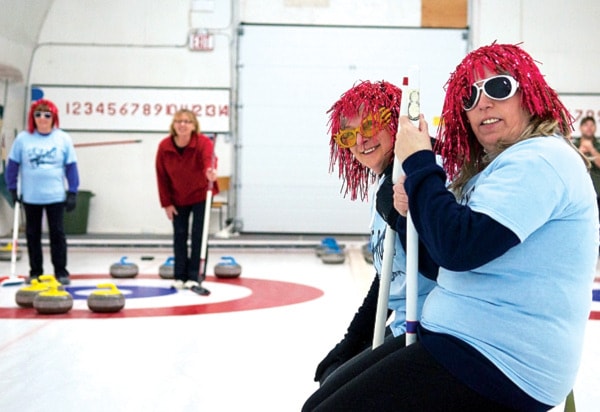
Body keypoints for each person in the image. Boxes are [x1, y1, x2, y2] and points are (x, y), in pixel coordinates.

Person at [303, 43, 598, 411]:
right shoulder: (498, 167)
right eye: (469, 97)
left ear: (530, 93)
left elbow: (453, 250)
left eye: (498, 88)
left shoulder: (540, 160)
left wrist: (420, 161)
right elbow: (426, 261)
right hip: (458, 339)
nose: (483, 103)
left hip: (494, 360)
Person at [311, 80, 437, 386]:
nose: (361, 139)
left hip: (431, 327)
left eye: (370, 124)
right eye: (348, 134)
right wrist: (351, 342)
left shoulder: (424, 175)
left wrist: (401, 216)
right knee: (330, 381)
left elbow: (440, 262)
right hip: (400, 321)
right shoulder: (383, 186)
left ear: (396, 121)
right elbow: (387, 279)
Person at [4, 99, 79, 285]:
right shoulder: (23, 139)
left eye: (47, 115)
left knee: (57, 234)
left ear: (54, 118)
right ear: (33, 118)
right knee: (32, 234)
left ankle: (61, 271)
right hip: (31, 197)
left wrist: (73, 192)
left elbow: (71, 167)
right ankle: (36, 271)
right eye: (38, 115)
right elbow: (12, 166)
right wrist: (12, 189)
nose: (43, 119)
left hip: (55, 196)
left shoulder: (63, 138)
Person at [155, 109, 218, 290]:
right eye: (178, 121)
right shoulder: (164, 146)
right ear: (173, 125)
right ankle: (180, 275)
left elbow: (209, 160)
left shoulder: (203, 142)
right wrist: (166, 203)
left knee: (199, 235)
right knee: (180, 235)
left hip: (200, 194)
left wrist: (210, 171)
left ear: (193, 125)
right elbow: (161, 176)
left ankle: (195, 275)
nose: (182, 125)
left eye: (187, 121)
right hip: (177, 197)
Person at [574, 116, 600, 219]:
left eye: (591, 125)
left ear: (595, 128)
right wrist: (579, 152)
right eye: (586, 125)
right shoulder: (573, 144)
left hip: (598, 192)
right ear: (580, 128)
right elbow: (569, 167)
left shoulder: (598, 145)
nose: (589, 128)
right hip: (579, 194)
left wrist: (592, 149)